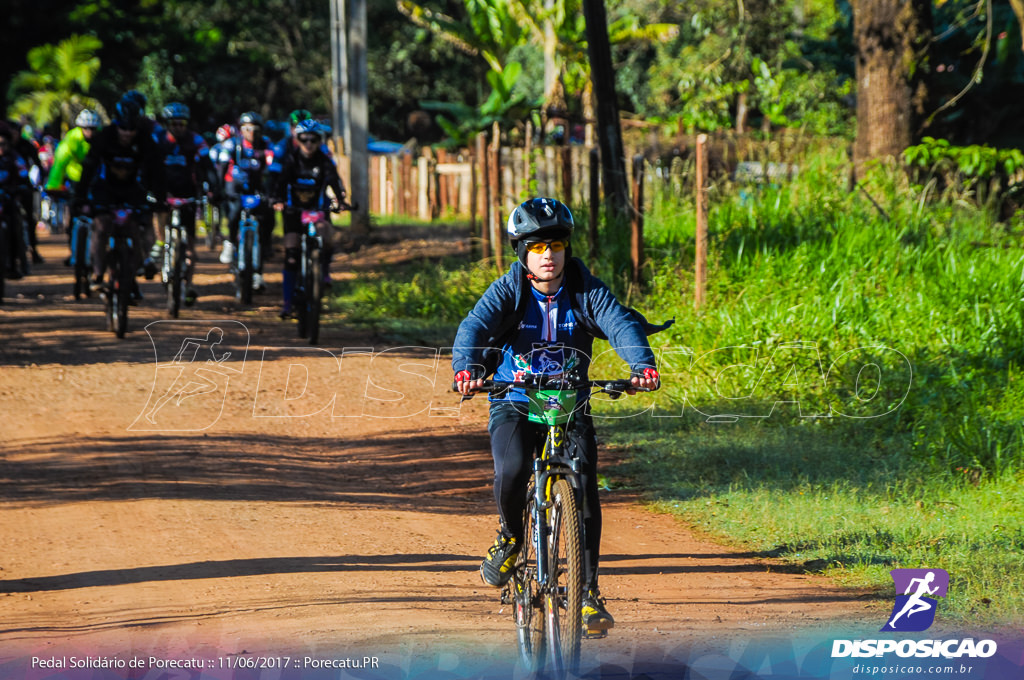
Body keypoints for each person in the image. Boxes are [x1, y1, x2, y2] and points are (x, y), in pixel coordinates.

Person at [452, 197, 670, 635]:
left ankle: (588, 594)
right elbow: (473, 327)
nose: (548, 255)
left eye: (555, 245)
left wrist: (641, 365)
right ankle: (511, 538)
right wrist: (468, 369)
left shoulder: (586, 289)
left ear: (567, 249)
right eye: (536, 247)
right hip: (514, 398)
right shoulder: (508, 290)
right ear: (521, 253)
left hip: (570, 401)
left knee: (586, 487)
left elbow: (620, 323)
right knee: (512, 470)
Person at [75, 93, 166, 296]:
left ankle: (132, 277)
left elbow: (157, 170)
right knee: (101, 225)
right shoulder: (104, 137)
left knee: (135, 228)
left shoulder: (145, 140)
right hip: (105, 189)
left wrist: (159, 199)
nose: (127, 134)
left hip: (132, 189)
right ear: (116, 124)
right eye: (123, 129)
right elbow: (89, 168)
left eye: (131, 129)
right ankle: (98, 275)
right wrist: (80, 197)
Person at [271, 118, 347, 319]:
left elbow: (334, 182)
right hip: (293, 211)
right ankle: (287, 303)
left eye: (313, 140)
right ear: (297, 140)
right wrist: (277, 200)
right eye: (304, 139)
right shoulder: (291, 160)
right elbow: (280, 183)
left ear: (319, 140)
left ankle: (322, 274)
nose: (309, 144)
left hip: (317, 210)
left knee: (327, 236)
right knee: (291, 253)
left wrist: (341, 200)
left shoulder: (324, 161)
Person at [152, 102, 213, 306]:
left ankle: (188, 285)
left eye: (182, 123)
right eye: (174, 123)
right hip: (163, 192)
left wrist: (214, 189)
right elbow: (147, 165)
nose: (178, 127)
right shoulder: (158, 140)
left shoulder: (196, 140)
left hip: (188, 194)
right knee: (159, 216)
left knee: (190, 247)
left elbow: (208, 167)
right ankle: (161, 244)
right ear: (167, 124)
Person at [214, 111, 275, 292]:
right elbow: (222, 166)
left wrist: (272, 191)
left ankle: (259, 270)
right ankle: (230, 241)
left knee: (267, 220)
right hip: (235, 187)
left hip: (258, 188)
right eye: (248, 129)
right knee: (233, 215)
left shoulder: (266, 145)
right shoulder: (233, 144)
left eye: (256, 129)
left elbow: (274, 168)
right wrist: (219, 190)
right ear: (242, 129)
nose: (252, 133)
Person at [45, 109, 100, 258]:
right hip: (76, 180)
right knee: (74, 212)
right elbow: (59, 164)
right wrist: (53, 186)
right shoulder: (71, 139)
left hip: (96, 181)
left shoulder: (101, 140)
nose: (90, 132)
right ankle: (74, 248)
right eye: (86, 128)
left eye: (93, 129)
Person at [0, 121, 34, 279]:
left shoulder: (14, 158)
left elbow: (24, 175)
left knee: (16, 226)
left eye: (3, 144)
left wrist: (23, 187)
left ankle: (14, 264)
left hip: (8, 201)